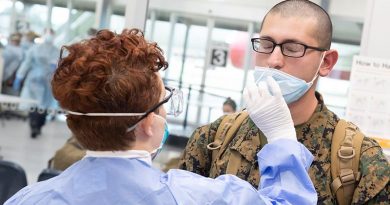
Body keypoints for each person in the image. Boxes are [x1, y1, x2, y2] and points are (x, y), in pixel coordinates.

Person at [5, 29, 317, 205]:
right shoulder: (195, 198)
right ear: (145, 123)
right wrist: (282, 140)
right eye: (164, 100)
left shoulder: (30, 200)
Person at [178, 0, 389, 204]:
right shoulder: (213, 138)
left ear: (326, 62)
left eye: (293, 48)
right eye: (266, 44)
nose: (274, 61)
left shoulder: (360, 160)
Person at [13, 28, 60, 138]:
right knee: (33, 104)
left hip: (48, 82)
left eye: (51, 34)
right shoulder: (34, 49)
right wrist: (19, 76)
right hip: (34, 80)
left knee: (44, 106)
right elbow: (27, 63)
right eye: (47, 33)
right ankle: (34, 125)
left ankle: (39, 125)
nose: (49, 36)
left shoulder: (57, 51)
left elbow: (62, 66)